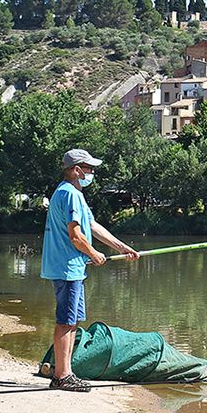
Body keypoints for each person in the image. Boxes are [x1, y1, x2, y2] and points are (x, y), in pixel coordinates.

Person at [40, 149, 139, 392]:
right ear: (76, 170)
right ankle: (62, 376)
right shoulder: (69, 194)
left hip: (71, 267)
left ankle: (66, 372)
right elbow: (76, 235)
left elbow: (92, 226)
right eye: (89, 168)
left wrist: (121, 247)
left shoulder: (74, 194)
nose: (92, 173)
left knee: (72, 321)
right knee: (65, 321)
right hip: (67, 267)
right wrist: (93, 254)